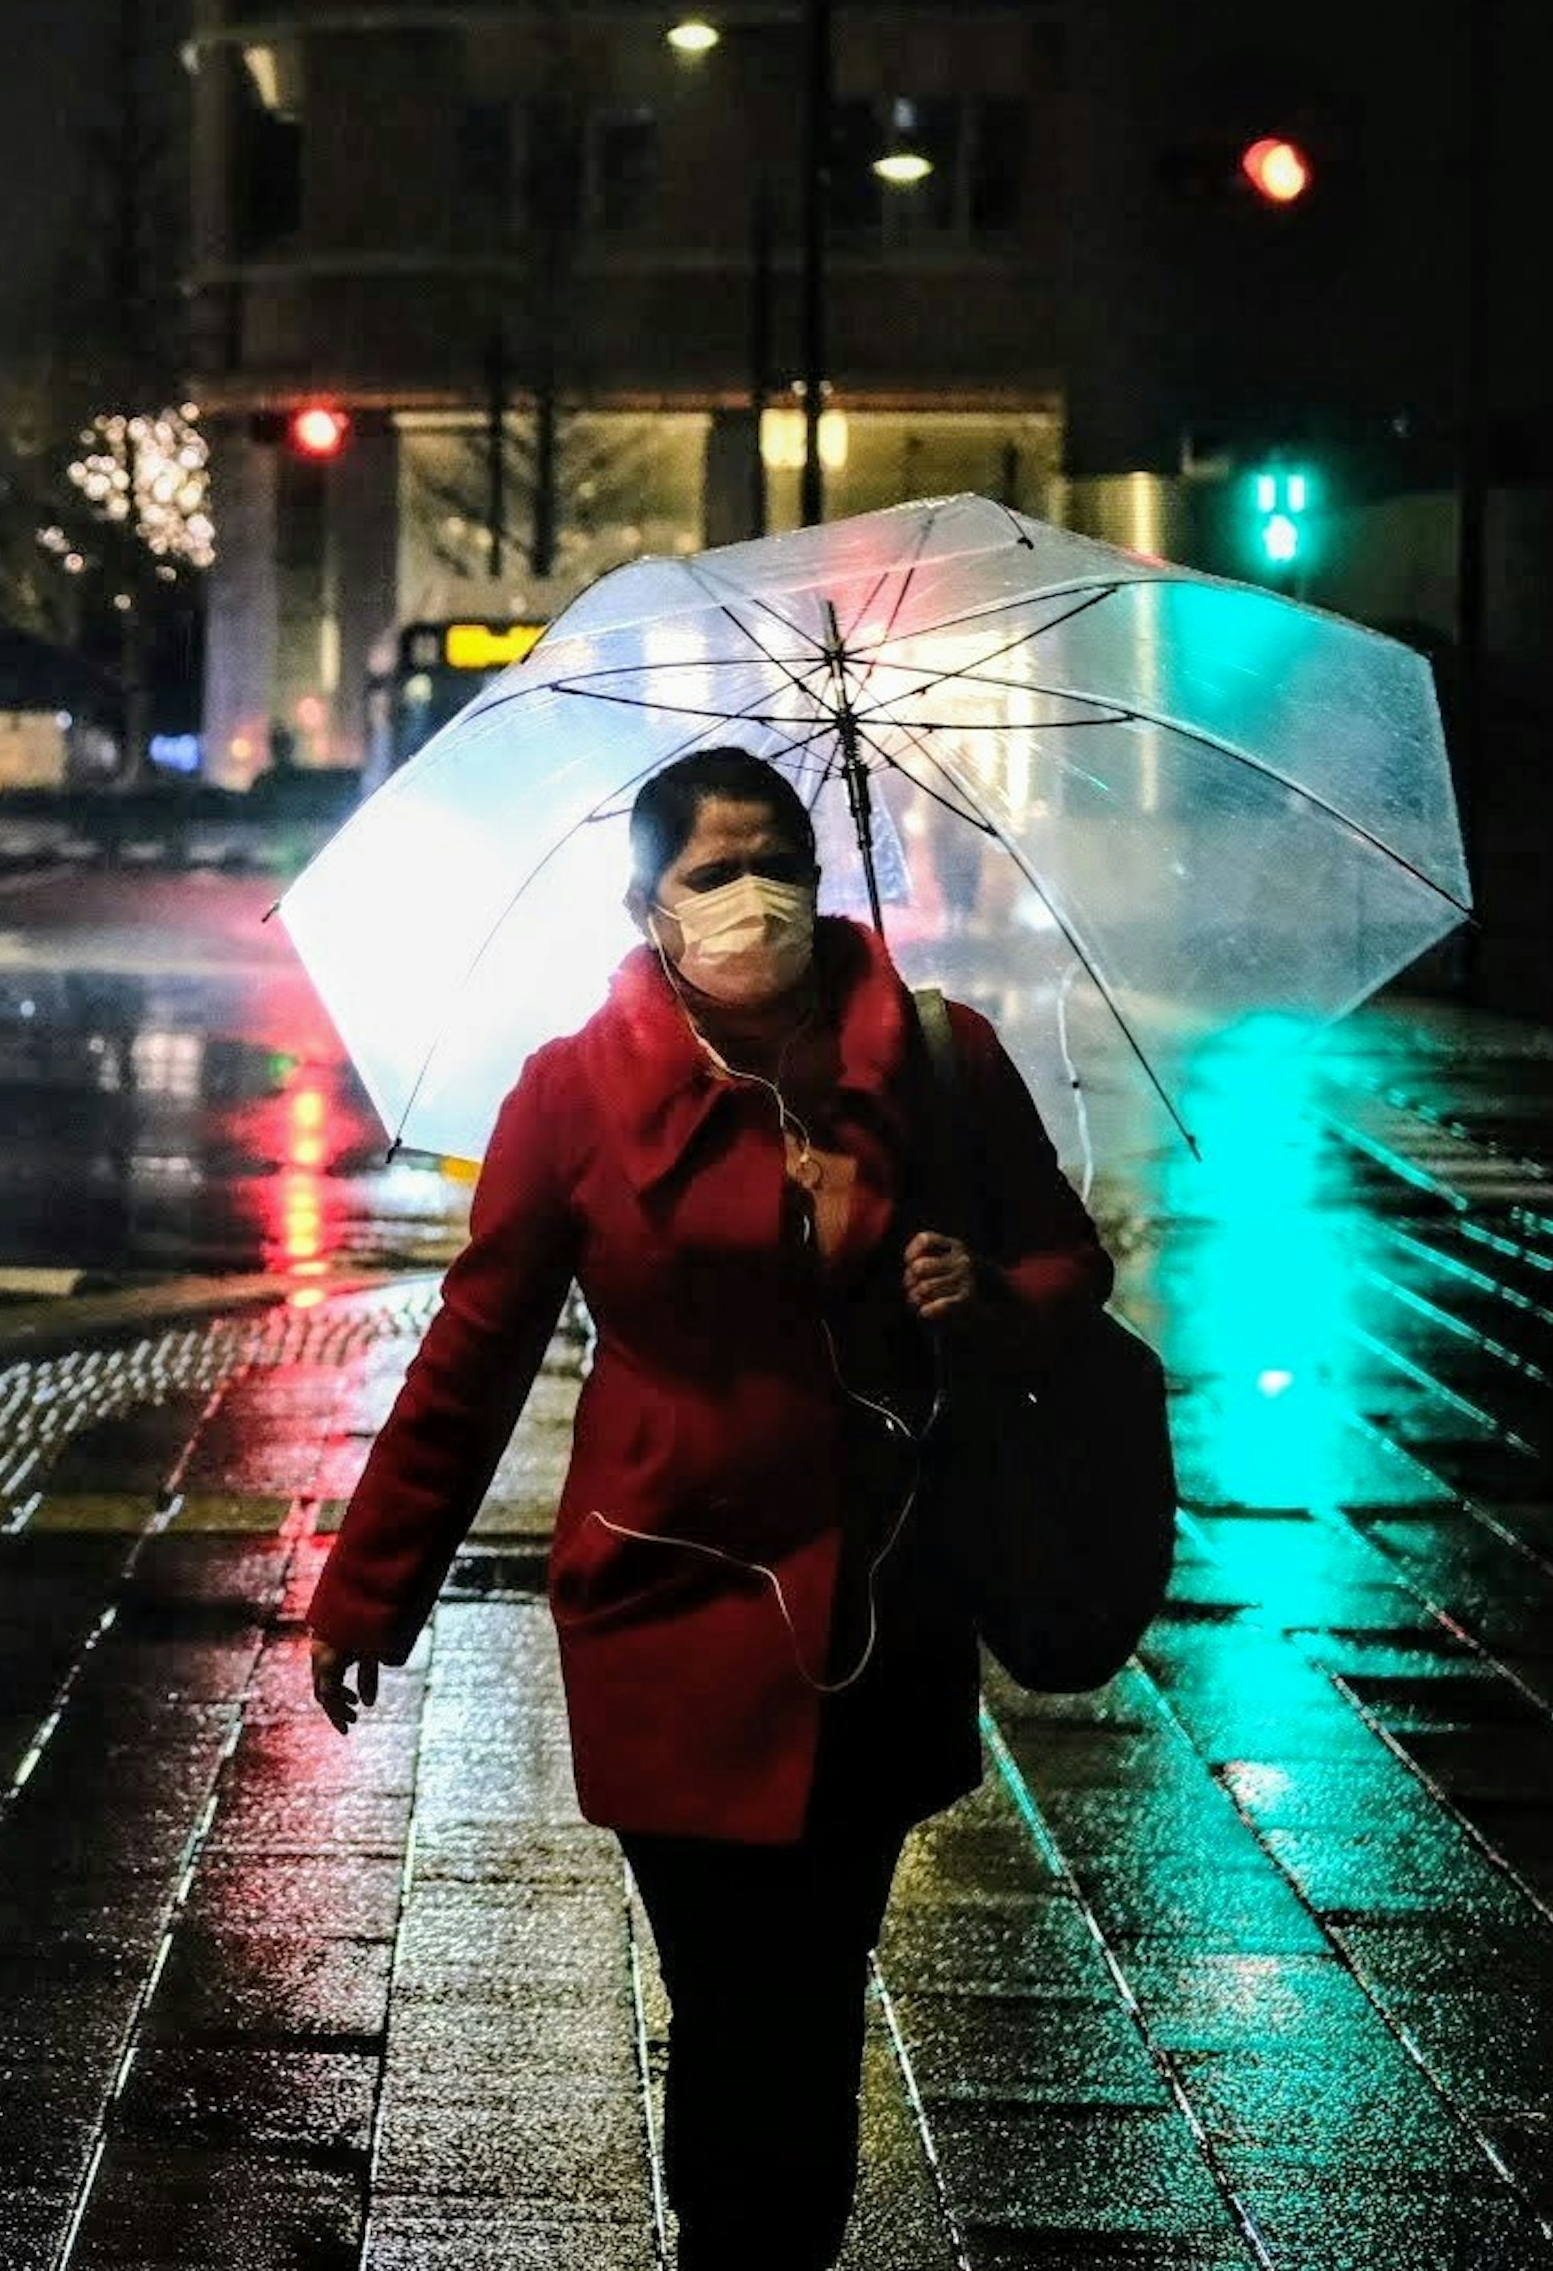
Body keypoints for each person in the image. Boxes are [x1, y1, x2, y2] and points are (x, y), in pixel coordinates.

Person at [304, 744, 1109, 2271]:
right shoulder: (574, 1095)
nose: (756, 900)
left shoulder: (938, 1059)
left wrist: (985, 1296)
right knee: (732, 1992)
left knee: (808, 1996)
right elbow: (474, 1356)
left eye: (781, 864)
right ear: (647, 905)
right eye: (713, 873)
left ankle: (761, 2247)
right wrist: (368, 1595)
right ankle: (738, 2243)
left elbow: (1072, 1267)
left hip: (882, 1609)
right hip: (669, 1611)